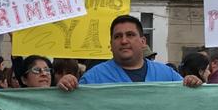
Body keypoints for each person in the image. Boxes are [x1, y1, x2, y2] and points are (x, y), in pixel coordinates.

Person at [57, 16, 191, 88]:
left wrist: (194, 84)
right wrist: (65, 88)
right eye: (117, 36)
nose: (124, 41)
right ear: (111, 44)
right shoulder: (94, 78)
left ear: (143, 41)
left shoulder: (167, 75)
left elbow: (188, 100)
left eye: (130, 35)